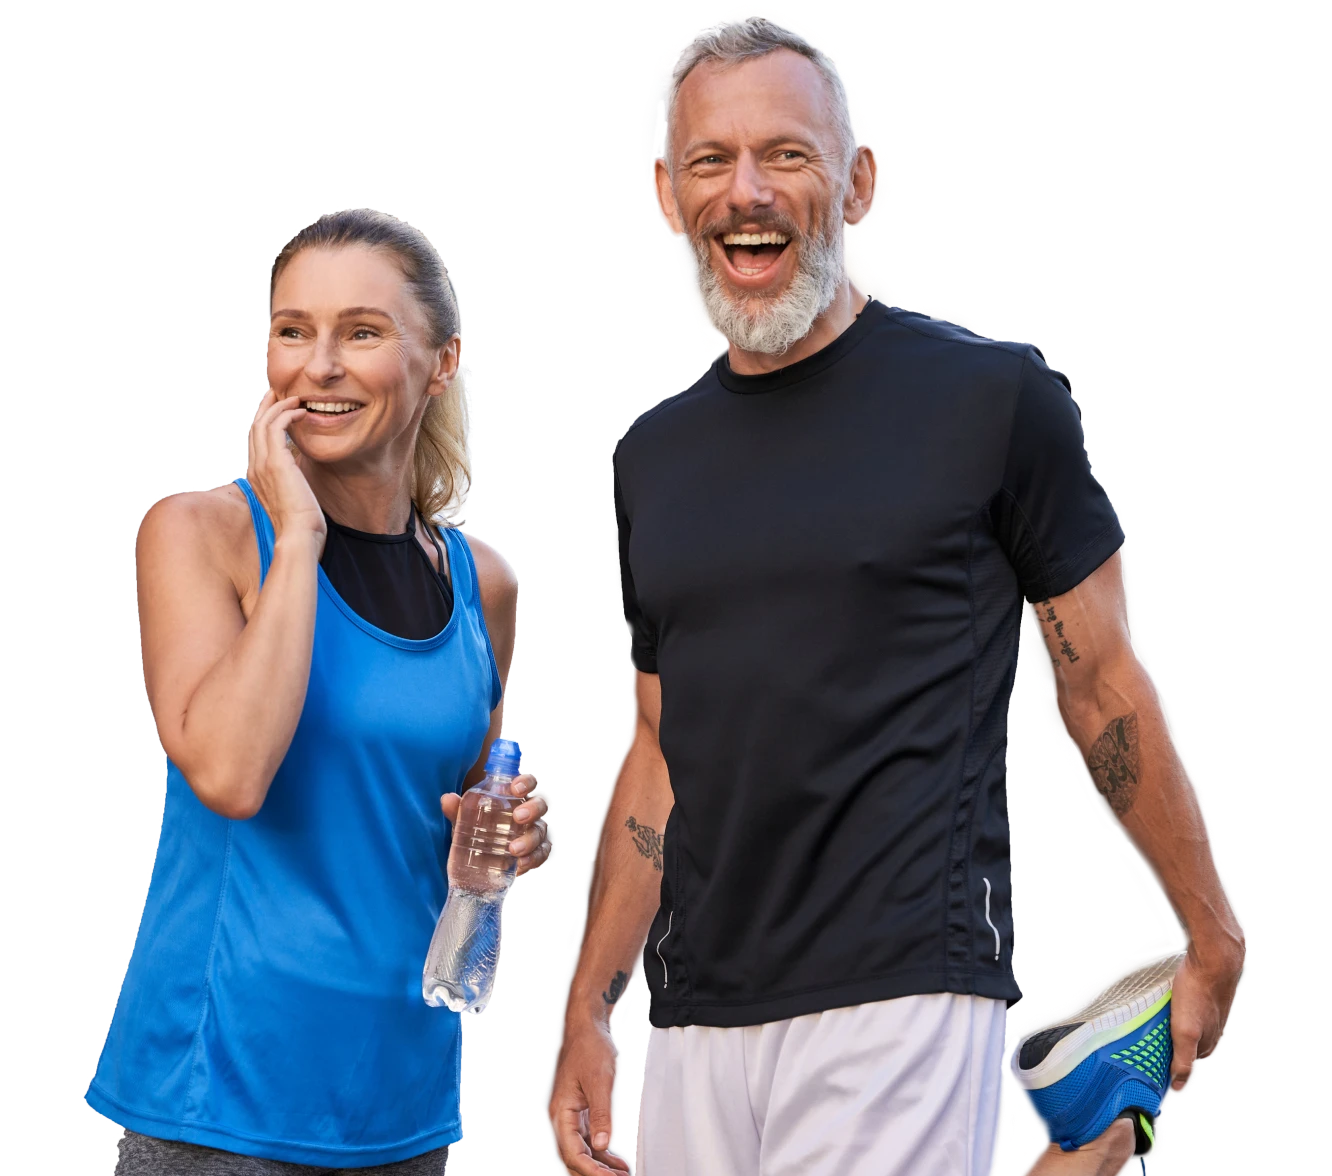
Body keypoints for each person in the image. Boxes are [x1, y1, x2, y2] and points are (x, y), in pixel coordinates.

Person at [544, 14, 1245, 1176]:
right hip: (698, 1014)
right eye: (710, 161)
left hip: (902, 993)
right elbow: (662, 747)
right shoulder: (650, 457)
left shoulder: (992, 399)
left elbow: (1099, 682)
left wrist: (1210, 935)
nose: (745, 193)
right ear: (667, 193)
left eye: (788, 155)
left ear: (861, 181)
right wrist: (588, 1006)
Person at [86, 208, 556, 1173]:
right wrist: (297, 537)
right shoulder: (202, 533)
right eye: (294, 330)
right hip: (222, 1098)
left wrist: (509, 837)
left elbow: (450, 819)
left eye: (363, 332)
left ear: (440, 362)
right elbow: (229, 772)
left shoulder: (484, 583)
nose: (320, 365)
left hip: (404, 1094)